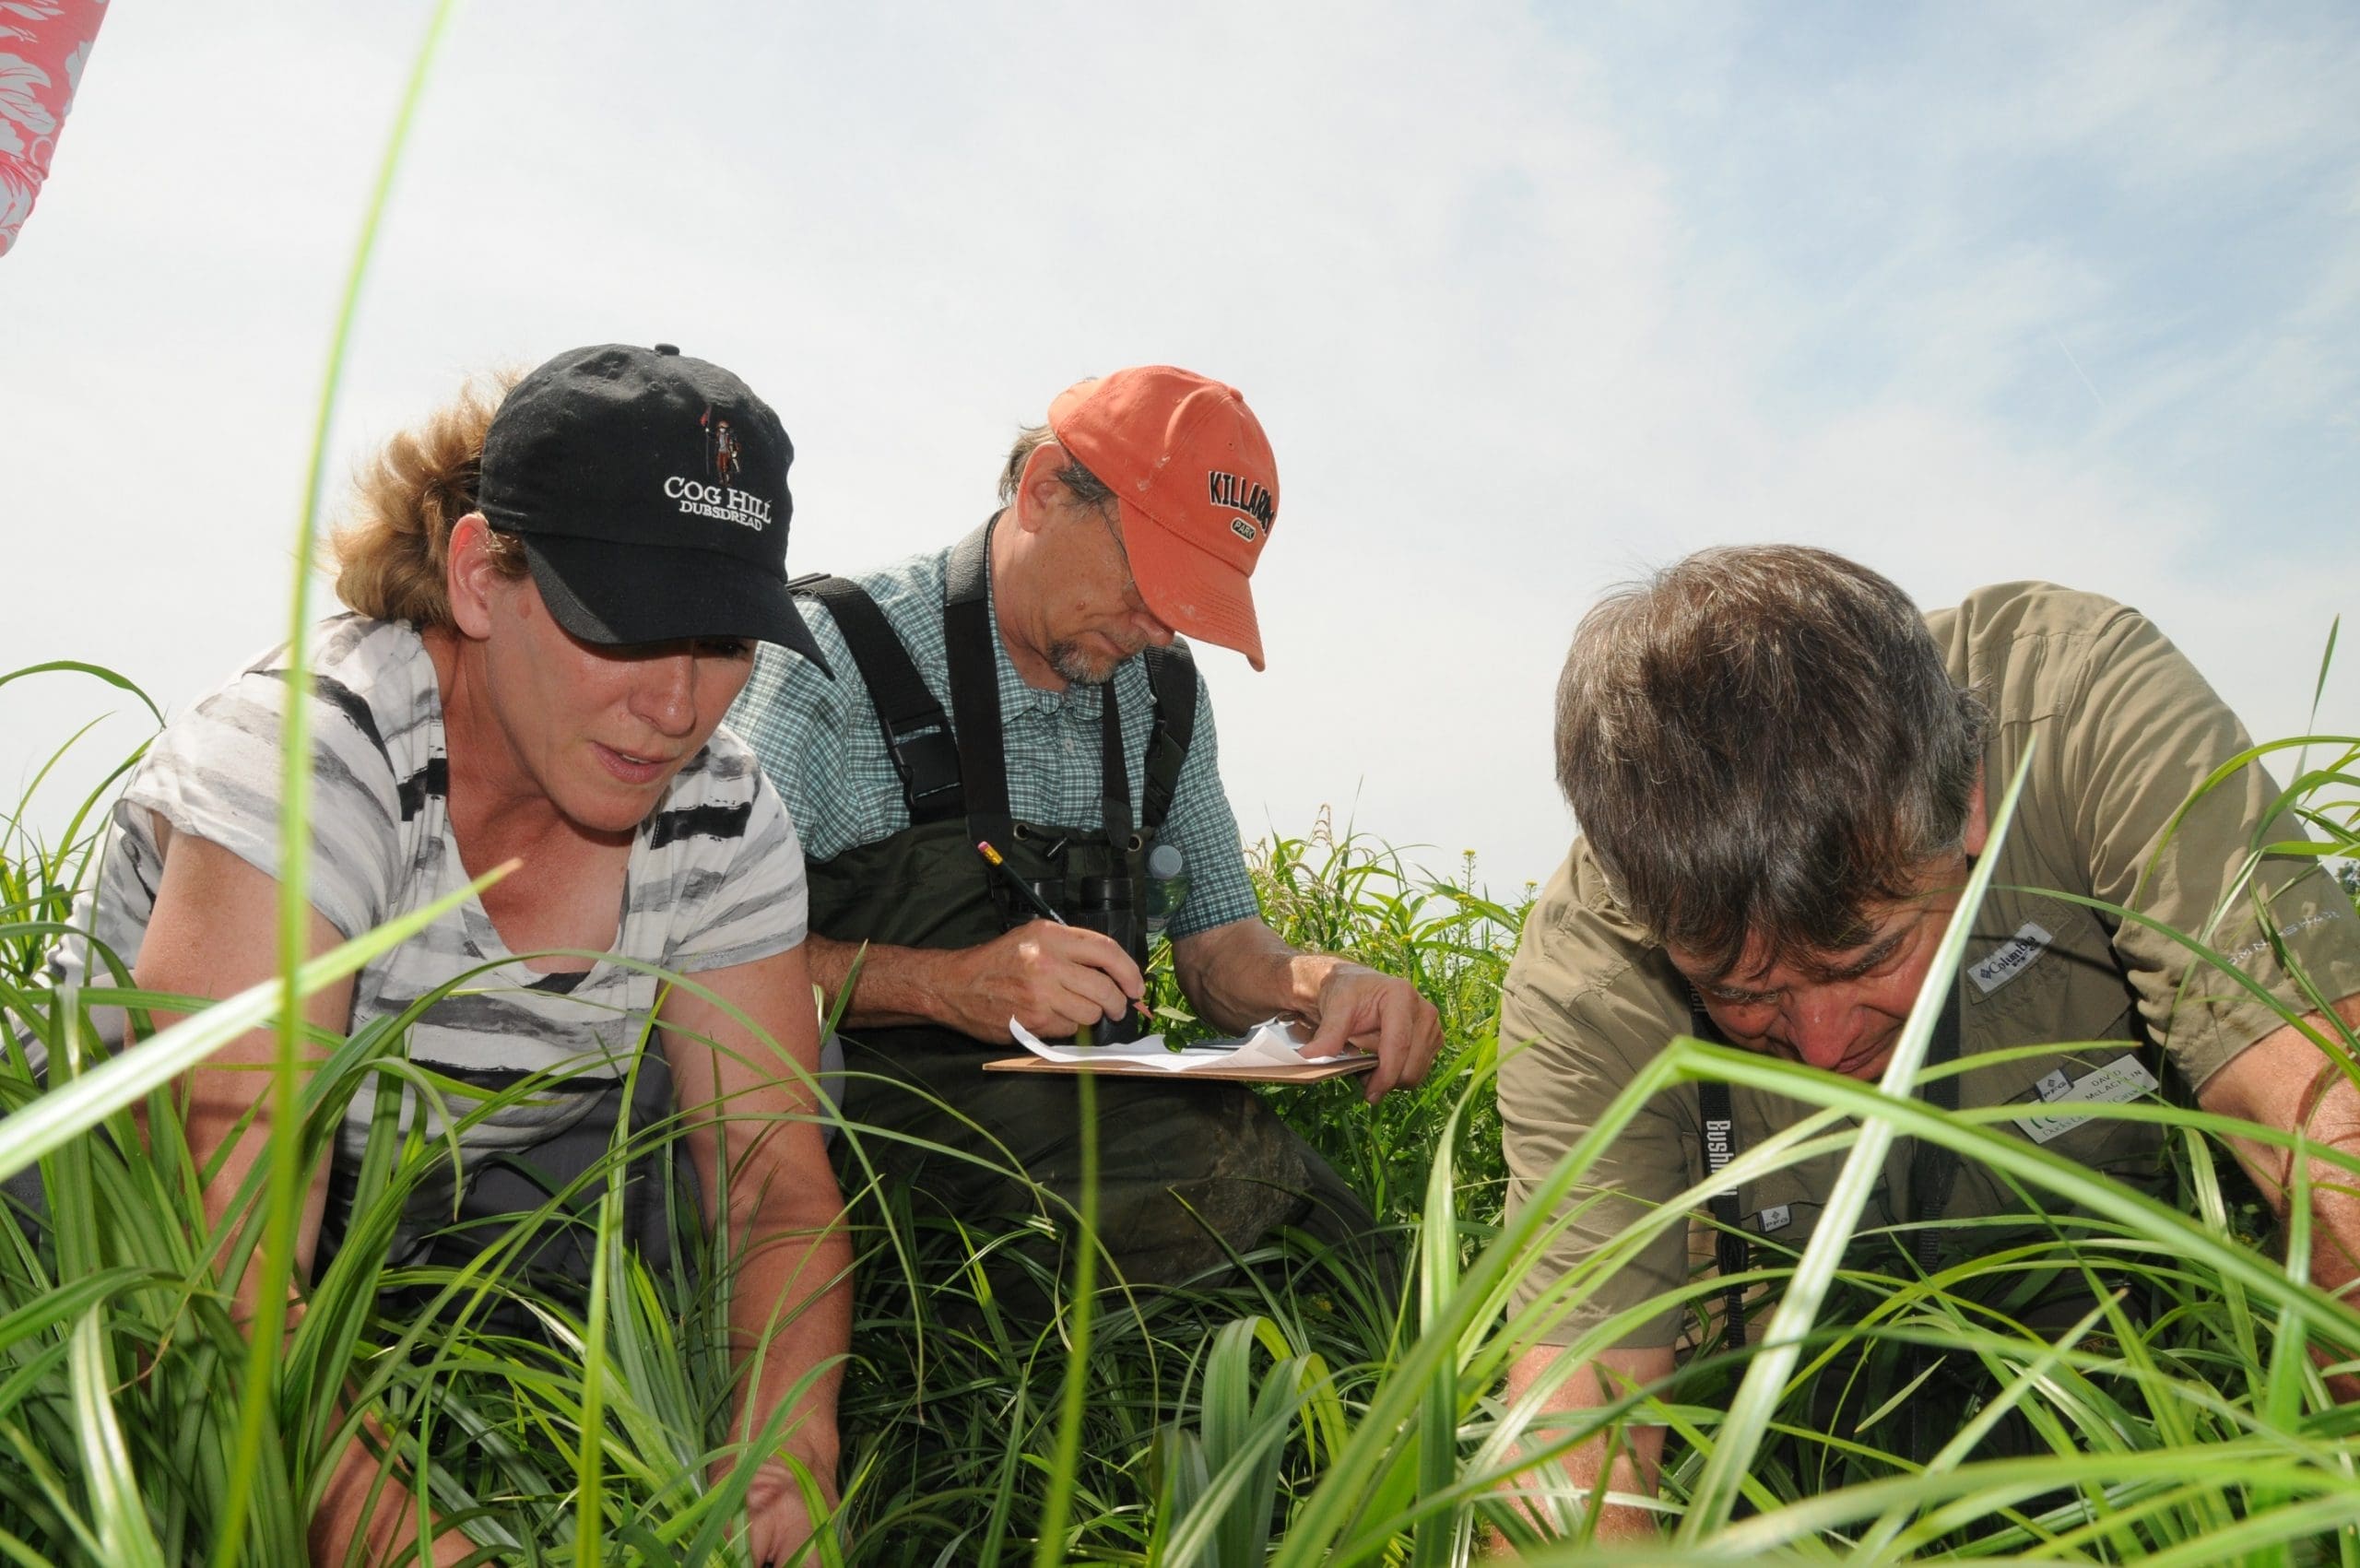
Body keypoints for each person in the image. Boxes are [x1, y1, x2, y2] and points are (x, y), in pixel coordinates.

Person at [38, 345, 851, 1563]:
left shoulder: (725, 810)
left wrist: (788, 1447)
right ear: (481, 577)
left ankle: (509, 1385)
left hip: (462, 1195)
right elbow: (222, 1245)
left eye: (726, 641)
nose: (681, 707)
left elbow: (768, 1182)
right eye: (627, 630)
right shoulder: (310, 756)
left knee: (803, 1083)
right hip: (156, 1195)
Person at [1496, 546, 2360, 1539]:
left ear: (1970, 803)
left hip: (2123, 1343)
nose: (1821, 1047)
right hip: (1802, 1414)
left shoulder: (2080, 706)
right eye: (1742, 993)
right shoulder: (1586, 972)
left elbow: (2317, 1120)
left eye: (1868, 955)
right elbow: (1577, 1428)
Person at [727, 364, 1442, 1295]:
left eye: (1191, 604)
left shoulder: (1164, 690)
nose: (1158, 628)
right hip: (856, 1128)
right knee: (1228, 1207)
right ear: (1045, 490)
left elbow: (1219, 951)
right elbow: (695, 965)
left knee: (1353, 1259)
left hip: (1110, 1120)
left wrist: (1322, 984)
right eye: (1150, 582)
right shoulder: (830, 659)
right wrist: (948, 986)